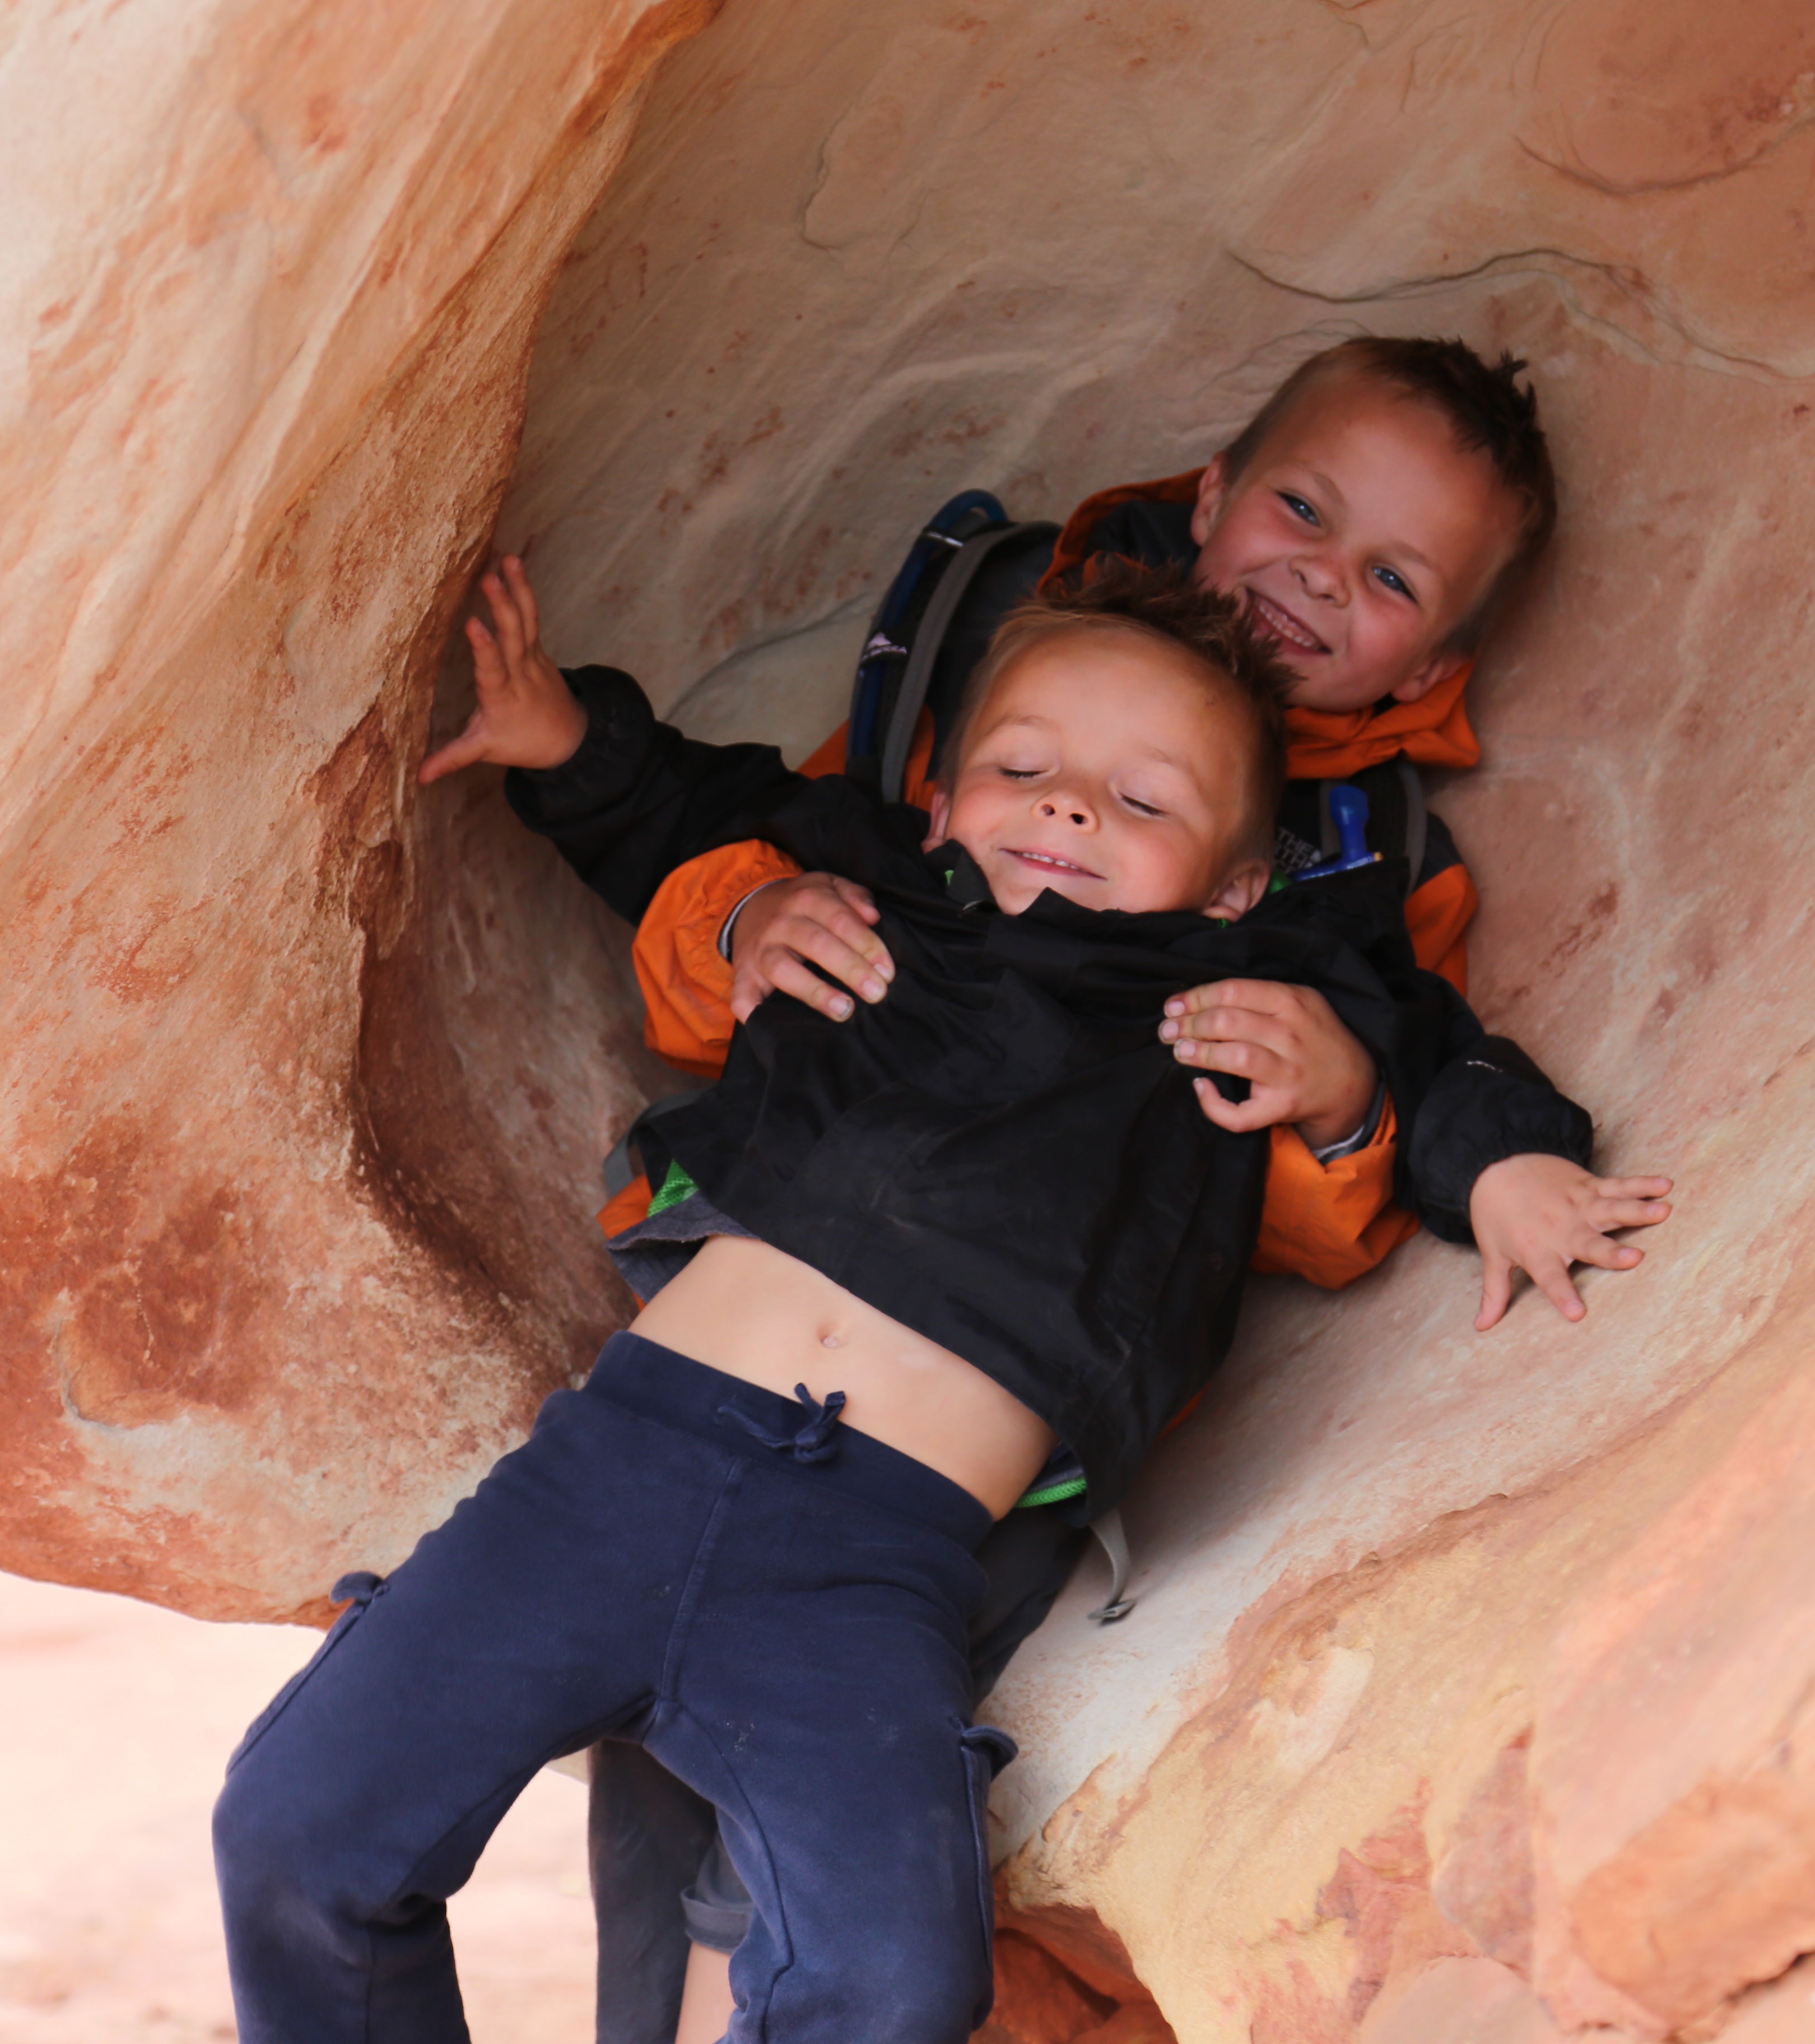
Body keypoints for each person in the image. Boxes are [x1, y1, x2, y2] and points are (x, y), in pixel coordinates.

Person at [213, 556, 1666, 2044]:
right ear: (943, 802)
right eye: (1026, 768)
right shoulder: (870, 894)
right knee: (297, 1832)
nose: (1074, 806)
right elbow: (698, 813)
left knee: (897, 1979)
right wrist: (625, 798)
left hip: (870, 1568)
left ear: (1237, 882)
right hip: (615, 1471)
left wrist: (1446, 1135)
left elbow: (1431, 1053)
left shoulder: (1249, 992)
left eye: (1144, 800)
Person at [597, 336, 1653, 2043]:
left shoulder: (1352, 872)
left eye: (1388, 578)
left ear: (1438, 653)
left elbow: (1416, 1051)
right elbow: (785, 840)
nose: (1319, 575)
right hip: (783, 1262)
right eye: (1302, 510)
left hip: (1026, 1376)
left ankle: (767, 1985)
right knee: (646, 1689)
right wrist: (648, 831)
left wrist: (1438, 1136)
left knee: (855, 1702)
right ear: (1212, 493)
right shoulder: (1014, 653)